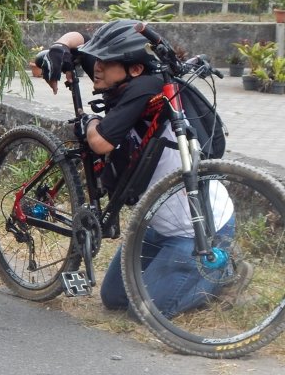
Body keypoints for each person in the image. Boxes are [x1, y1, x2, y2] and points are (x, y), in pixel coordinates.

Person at [40, 20, 250, 318]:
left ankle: (225, 269)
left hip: (197, 230)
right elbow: (83, 39)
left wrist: (90, 123)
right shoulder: (116, 73)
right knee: (113, 298)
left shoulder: (146, 89)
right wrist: (59, 47)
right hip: (157, 227)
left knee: (143, 313)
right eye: (97, 60)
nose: (95, 67)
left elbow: (99, 142)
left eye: (104, 62)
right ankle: (181, 269)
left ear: (135, 69)